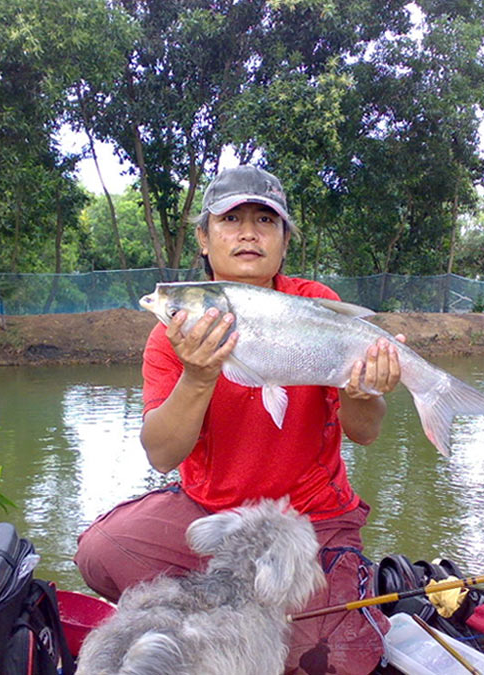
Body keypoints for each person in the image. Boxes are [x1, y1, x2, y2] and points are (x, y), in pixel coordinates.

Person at [74, 165, 404, 674]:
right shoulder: (171, 334)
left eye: (265, 220)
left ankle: (290, 588)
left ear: (283, 241)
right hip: (207, 513)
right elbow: (162, 455)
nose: (248, 232)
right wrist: (199, 374)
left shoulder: (315, 305)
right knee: (98, 552)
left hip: (309, 517)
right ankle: (233, 590)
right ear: (204, 238)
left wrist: (365, 391)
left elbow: (366, 431)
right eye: (231, 219)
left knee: (327, 659)